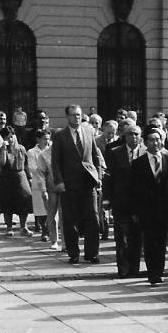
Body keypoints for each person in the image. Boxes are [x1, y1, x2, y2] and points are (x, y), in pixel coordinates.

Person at [50, 104, 104, 264]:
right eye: (73, 115)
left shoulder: (88, 132)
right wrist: (59, 181)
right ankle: (73, 253)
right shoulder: (60, 136)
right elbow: (55, 162)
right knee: (70, 220)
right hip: (69, 184)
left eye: (79, 115)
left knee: (93, 218)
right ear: (67, 117)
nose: (76, 118)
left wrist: (98, 176)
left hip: (88, 182)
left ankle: (92, 253)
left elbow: (95, 156)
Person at [131, 126, 168, 284]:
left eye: (158, 140)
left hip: (164, 209)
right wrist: (135, 211)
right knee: (149, 242)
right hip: (146, 210)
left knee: (162, 242)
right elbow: (133, 189)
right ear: (145, 142)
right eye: (151, 140)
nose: (155, 143)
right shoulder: (138, 163)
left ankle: (159, 271)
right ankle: (152, 273)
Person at [104, 122, 145, 277]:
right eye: (130, 134)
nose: (133, 137)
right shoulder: (115, 153)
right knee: (121, 238)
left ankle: (135, 269)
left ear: (140, 137)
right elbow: (108, 178)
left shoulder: (145, 152)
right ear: (124, 136)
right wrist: (106, 200)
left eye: (136, 134)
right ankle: (123, 269)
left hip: (140, 203)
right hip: (121, 202)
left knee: (137, 238)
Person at [0, 126, 33, 236]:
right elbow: (1, 163)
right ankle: (9, 227)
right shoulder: (0, 150)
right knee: (7, 202)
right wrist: (3, 149)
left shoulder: (21, 149)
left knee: (25, 200)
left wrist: (29, 177)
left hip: (21, 176)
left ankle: (23, 226)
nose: (10, 139)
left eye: (12, 136)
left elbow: (26, 164)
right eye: (7, 138)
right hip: (7, 177)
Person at [28, 128, 53, 240]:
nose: (47, 141)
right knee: (41, 209)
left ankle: (50, 229)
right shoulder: (32, 152)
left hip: (51, 182)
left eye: (48, 139)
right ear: (38, 139)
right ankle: (44, 230)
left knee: (51, 208)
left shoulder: (52, 150)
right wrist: (45, 169)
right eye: (44, 139)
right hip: (38, 183)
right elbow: (32, 168)